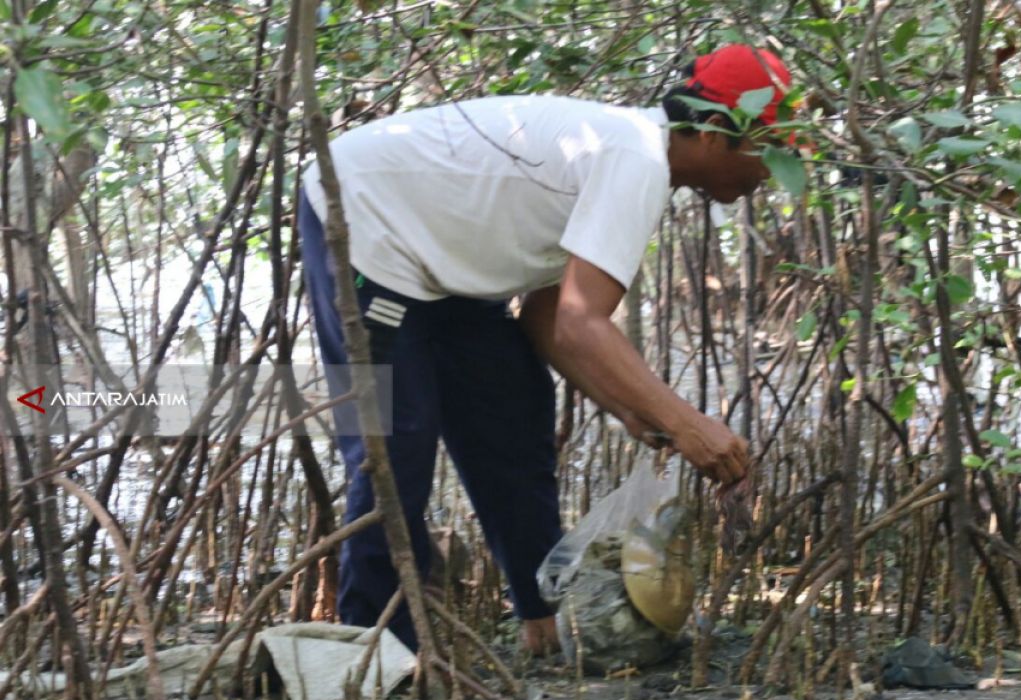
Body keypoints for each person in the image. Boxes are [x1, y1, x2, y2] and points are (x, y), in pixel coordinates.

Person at [299, 43, 791, 655]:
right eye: (769, 150)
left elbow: (546, 315)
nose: (771, 173)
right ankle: (378, 648)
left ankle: (545, 622)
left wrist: (631, 407)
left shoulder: (636, 160)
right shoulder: (634, 160)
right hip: (362, 220)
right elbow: (584, 324)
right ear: (717, 132)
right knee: (394, 448)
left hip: (441, 266)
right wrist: (687, 423)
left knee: (512, 412)